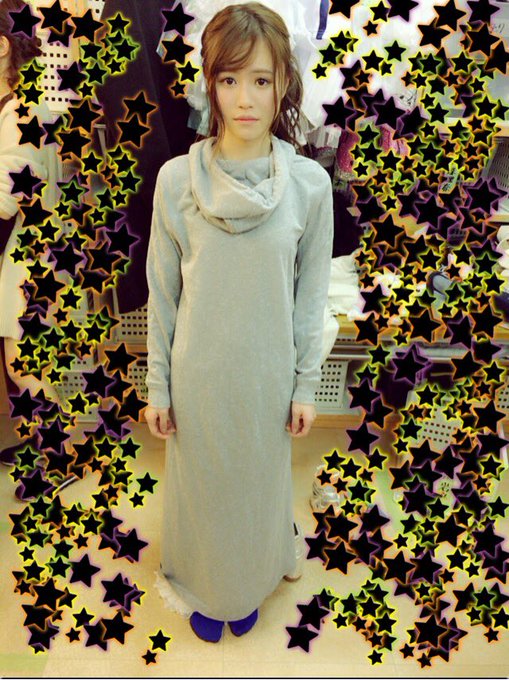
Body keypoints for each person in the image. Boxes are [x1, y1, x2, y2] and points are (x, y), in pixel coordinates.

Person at [145, 2, 333, 643]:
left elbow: (310, 296)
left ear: (283, 83)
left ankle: (252, 573)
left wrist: (305, 384)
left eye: (261, 79)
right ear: (211, 84)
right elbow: (163, 295)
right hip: (198, 374)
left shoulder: (309, 185)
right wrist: (158, 386)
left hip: (267, 375)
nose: (245, 98)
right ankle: (203, 578)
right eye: (229, 79)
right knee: (202, 485)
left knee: (257, 482)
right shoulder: (175, 181)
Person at [0, 0, 63, 493]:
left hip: (30, 256)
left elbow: (7, 195)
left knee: (22, 360)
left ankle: (57, 459)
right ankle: (37, 444)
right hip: (22, 253)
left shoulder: (20, 112)